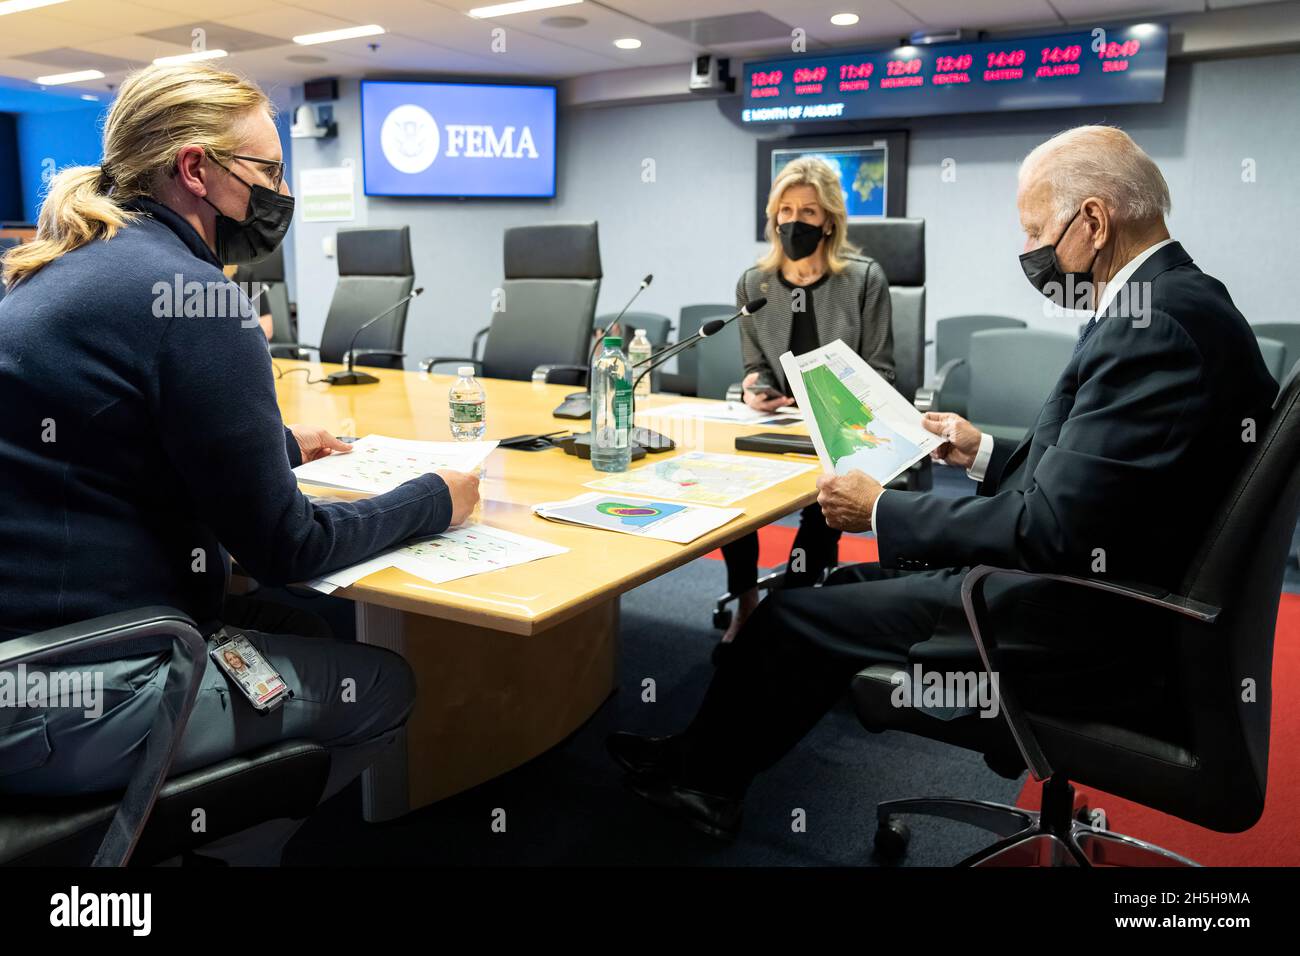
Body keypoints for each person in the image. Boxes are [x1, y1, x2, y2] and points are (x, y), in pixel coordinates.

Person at [607, 125, 1278, 841]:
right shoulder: (1182, 301)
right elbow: (1096, 474)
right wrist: (982, 449)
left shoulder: (1155, 326)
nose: (1028, 253)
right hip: (1112, 590)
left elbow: (1051, 530)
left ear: (1093, 220)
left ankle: (705, 787)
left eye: (1033, 230)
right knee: (828, 595)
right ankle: (697, 760)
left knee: (795, 615)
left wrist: (881, 509)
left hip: (1080, 619)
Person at [0, 64, 479, 857]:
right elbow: (287, 548)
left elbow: (109, 444)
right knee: (384, 684)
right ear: (196, 169)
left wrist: (285, 448)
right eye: (268, 171)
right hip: (63, 692)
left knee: (296, 625)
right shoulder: (197, 297)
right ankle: (213, 852)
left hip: (34, 645)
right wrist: (435, 497)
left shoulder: (56, 270)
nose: (279, 192)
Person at [719, 157, 895, 646]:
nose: (795, 221)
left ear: (829, 221)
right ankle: (747, 601)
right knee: (731, 486)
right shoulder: (754, 284)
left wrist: (829, 409)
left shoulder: (864, 279)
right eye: (786, 209)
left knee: (826, 497)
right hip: (779, 422)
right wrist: (756, 386)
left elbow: (881, 371)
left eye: (809, 212)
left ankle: (789, 611)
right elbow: (753, 363)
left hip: (845, 424)